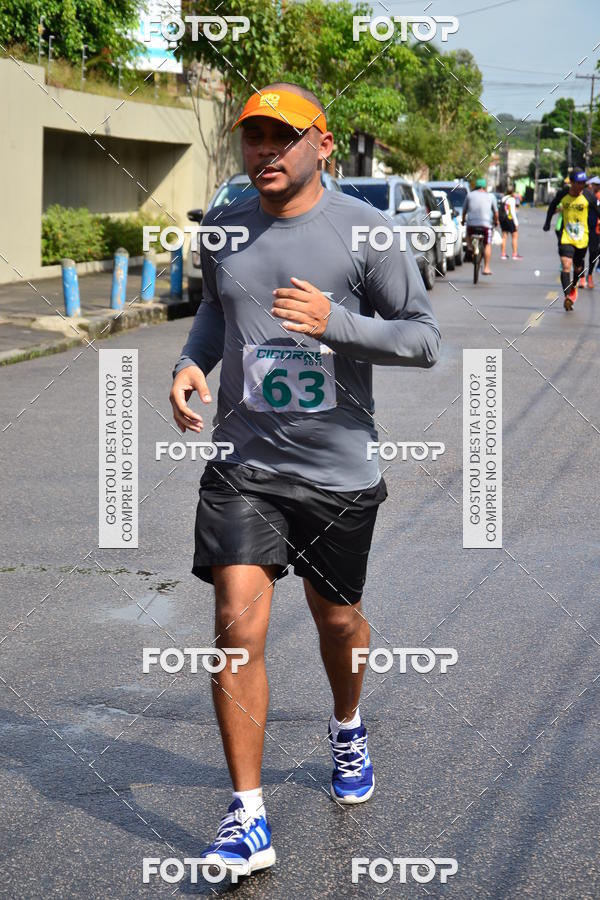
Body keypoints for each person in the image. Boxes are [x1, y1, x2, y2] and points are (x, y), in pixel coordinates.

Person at [169, 82, 441, 878]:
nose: (264, 152)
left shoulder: (369, 232)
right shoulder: (226, 225)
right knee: (235, 621)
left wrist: (336, 324)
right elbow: (218, 310)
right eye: (253, 138)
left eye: (281, 138)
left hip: (337, 473)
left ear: (323, 144)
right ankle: (247, 817)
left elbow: (423, 340)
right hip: (244, 464)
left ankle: (347, 722)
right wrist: (192, 364)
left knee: (338, 622)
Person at [543, 168, 599, 310]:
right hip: (566, 236)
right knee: (566, 264)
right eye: (579, 183)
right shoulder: (563, 194)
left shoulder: (588, 196)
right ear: (572, 183)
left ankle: (573, 287)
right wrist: (547, 222)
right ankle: (568, 295)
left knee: (578, 267)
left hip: (582, 238)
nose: (582, 186)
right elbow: (552, 206)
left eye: (584, 183)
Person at [461, 178, 499, 275]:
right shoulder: (491, 196)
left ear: (476, 186)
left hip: (472, 225)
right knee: (487, 244)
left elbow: (464, 211)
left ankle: (469, 247)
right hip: (486, 225)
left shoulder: (469, 195)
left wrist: (463, 220)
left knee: (468, 234)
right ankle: (486, 268)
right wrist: (496, 221)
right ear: (484, 187)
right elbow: (495, 212)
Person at [583, 175, 600, 288]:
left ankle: (589, 275)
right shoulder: (584, 196)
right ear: (590, 185)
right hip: (583, 228)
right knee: (581, 254)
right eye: (596, 185)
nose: (598, 187)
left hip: (596, 229)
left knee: (594, 252)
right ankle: (581, 277)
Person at [498, 186, 522, 260]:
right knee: (515, 235)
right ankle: (514, 254)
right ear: (512, 192)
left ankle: (503, 254)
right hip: (509, 218)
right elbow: (512, 212)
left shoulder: (503, 198)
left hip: (503, 219)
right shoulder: (511, 199)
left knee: (504, 236)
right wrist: (516, 222)